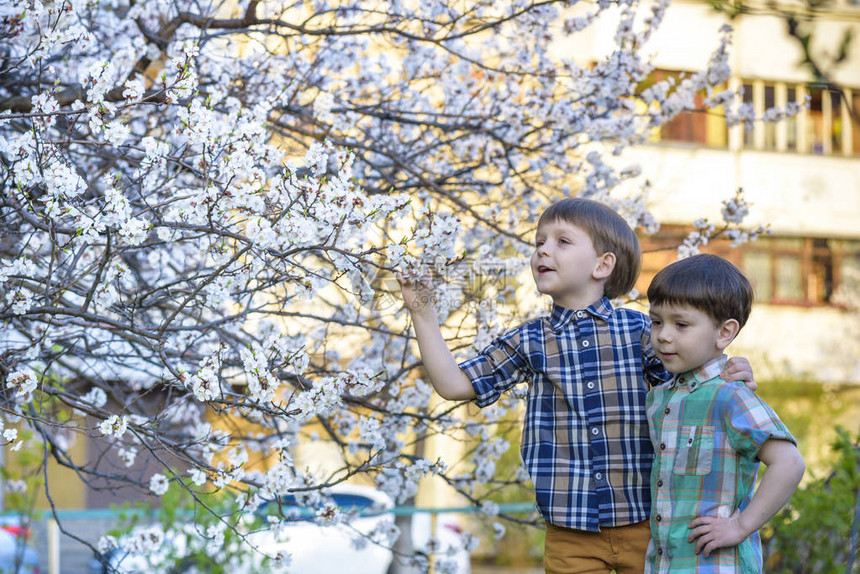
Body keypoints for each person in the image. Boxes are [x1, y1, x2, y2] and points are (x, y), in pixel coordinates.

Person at [398, 198, 754, 573]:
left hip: (649, 521)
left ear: (603, 265)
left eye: (562, 241)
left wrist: (732, 370)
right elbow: (455, 384)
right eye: (539, 242)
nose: (543, 250)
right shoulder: (529, 340)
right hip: (569, 529)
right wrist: (422, 311)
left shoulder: (641, 333)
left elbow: (693, 384)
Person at [645, 254, 805, 573]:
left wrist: (741, 526)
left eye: (681, 324)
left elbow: (789, 463)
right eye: (656, 321)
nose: (663, 335)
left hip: (718, 565)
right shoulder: (657, 399)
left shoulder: (730, 396)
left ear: (724, 333)